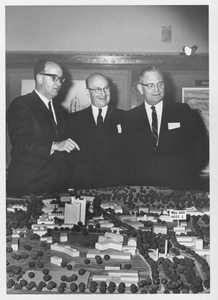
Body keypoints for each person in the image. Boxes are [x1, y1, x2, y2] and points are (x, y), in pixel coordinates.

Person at [126, 66, 209, 190]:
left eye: (160, 84)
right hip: (142, 190)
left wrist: (188, 175)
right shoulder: (129, 118)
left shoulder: (184, 112)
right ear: (140, 88)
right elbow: (124, 157)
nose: (157, 89)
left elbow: (203, 149)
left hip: (180, 188)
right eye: (150, 85)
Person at [6, 59, 80, 196]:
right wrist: (55, 145)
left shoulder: (60, 110)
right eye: (54, 78)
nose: (59, 83)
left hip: (56, 188)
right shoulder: (21, 104)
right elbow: (20, 142)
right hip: (28, 187)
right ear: (40, 78)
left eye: (61, 79)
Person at [66, 73, 127, 189]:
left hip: (116, 188)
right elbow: (69, 159)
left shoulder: (125, 118)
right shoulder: (73, 120)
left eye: (106, 88)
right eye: (97, 89)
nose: (103, 94)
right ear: (88, 93)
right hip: (84, 188)